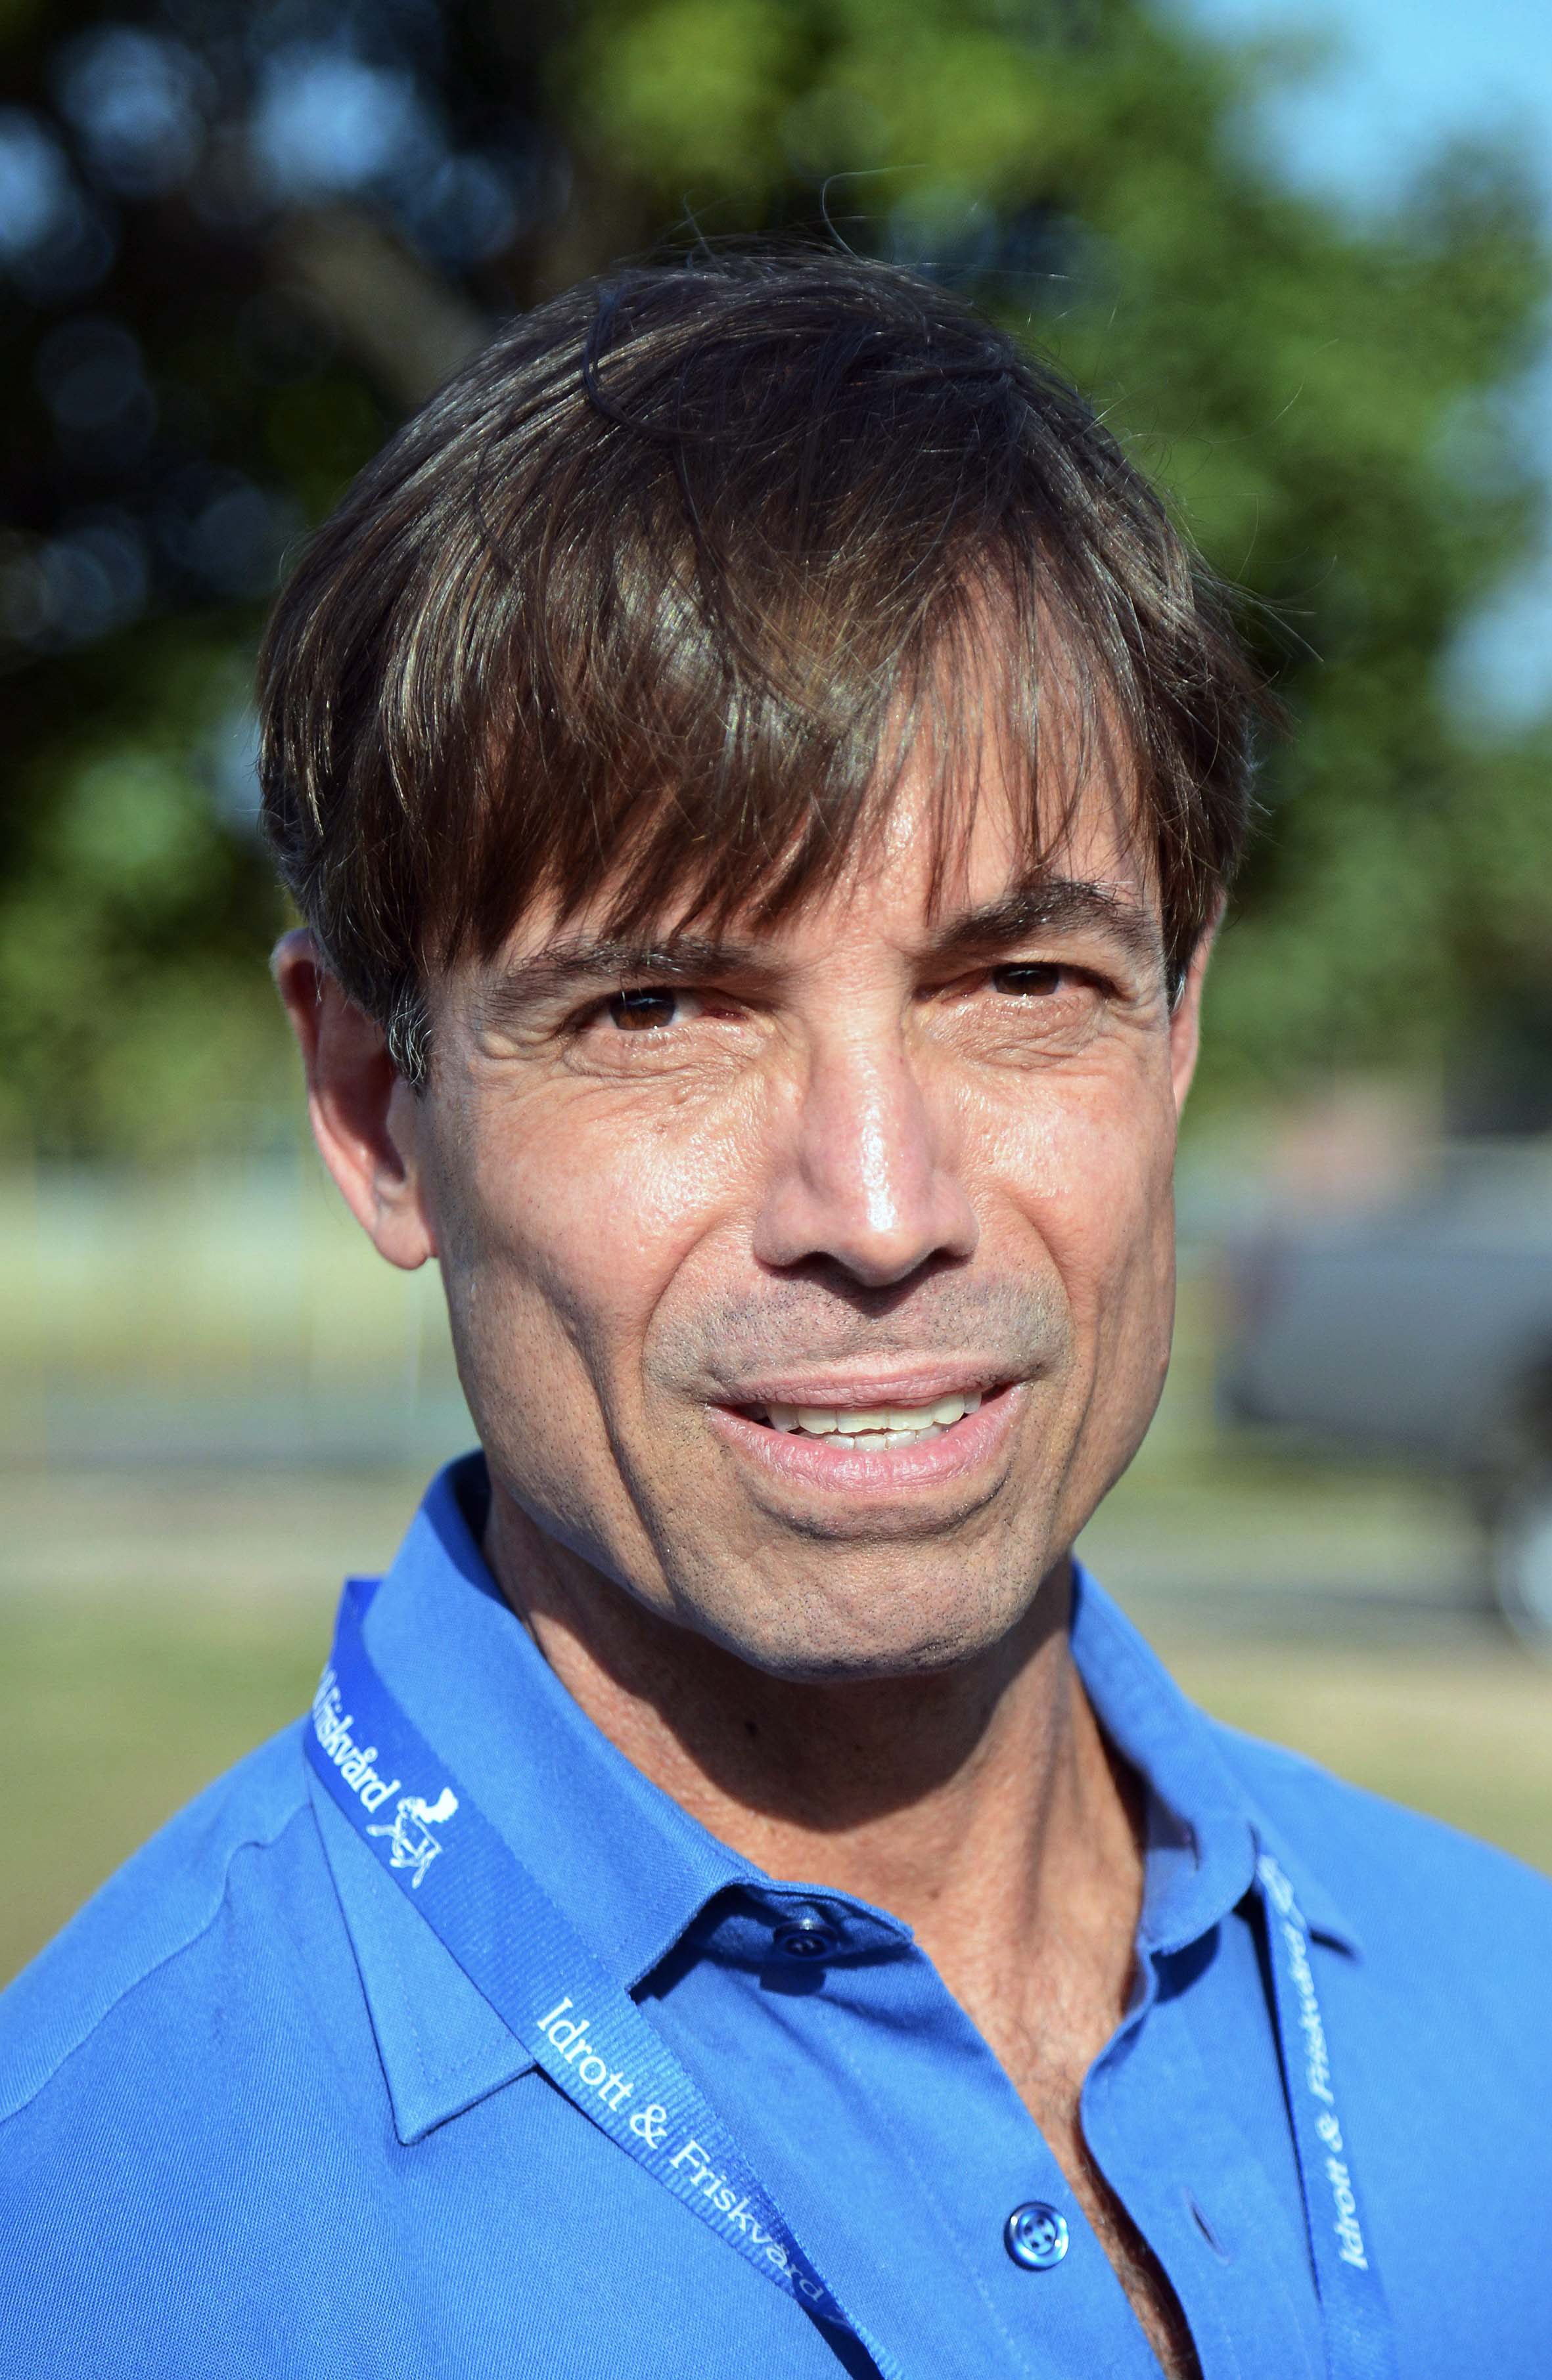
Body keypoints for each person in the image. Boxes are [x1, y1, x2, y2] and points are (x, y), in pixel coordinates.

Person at [1, 254, 1547, 2380]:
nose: (880, 1210)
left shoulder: (1509, 2028)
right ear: (374, 1111)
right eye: (658, 1010)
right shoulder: (91, 2239)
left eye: (1021, 984)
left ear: (1177, 1032)